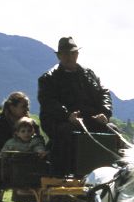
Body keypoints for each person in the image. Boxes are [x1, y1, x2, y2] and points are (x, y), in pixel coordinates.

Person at [38, 36, 112, 175]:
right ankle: (62, 173)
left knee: (112, 132)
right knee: (67, 132)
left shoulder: (89, 74)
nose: (69, 57)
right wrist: (67, 116)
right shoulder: (48, 78)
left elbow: (104, 93)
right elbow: (49, 102)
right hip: (60, 121)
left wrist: (105, 113)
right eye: (65, 54)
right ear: (59, 56)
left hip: (90, 119)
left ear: (77, 54)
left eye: (72, 53)